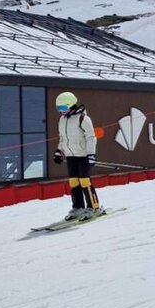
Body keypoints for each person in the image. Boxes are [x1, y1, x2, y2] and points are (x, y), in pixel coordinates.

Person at [53, 92, 103, 220]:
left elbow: (91, 138)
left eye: (63, 108)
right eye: (58, 108)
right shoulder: (62, 120)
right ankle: (78, 207)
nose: (61, 111)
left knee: (85, 181)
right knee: (74, 182)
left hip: (83, 155)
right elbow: (63, 138)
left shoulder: (83, 119)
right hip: (70, 155)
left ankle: (94, 207)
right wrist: (59, 151)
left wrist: (91, 154)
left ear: (71, 105)